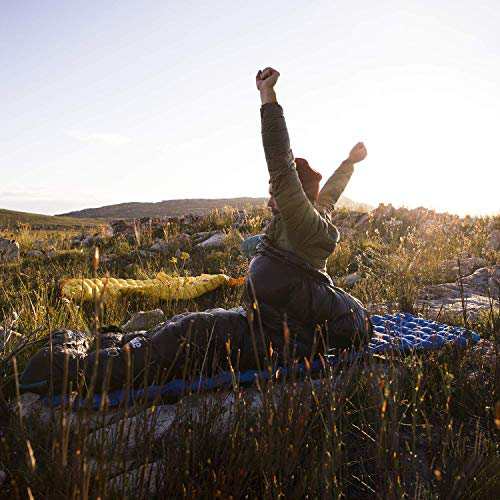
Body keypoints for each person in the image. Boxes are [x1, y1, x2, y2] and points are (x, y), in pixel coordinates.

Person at [20, 68, 372, 395]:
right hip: (259, 325)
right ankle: (102, 346)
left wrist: (269, 96)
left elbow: (279, 158)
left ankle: (65, 370)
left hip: (270, 339)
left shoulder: (303, 222)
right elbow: (331, 194)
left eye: (274, 195)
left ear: (292, 193)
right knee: (182, 326)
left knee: (179, 342)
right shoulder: (310, 220)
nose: (269, 202)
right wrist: (350, 163)